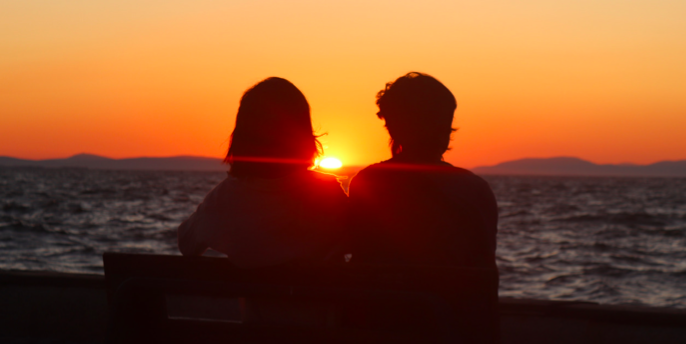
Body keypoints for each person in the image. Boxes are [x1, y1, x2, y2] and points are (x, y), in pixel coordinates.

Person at [177, 77, 347, 268]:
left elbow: (187, 244)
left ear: (242, 136)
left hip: (257, 298)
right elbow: (360, 244)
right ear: (303, 133)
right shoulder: (327, 192)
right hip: (317, 297)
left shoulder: (225, 198)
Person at [347, 72, 498, 268]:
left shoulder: (368, 182)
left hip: (383, 296)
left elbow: (361, 256)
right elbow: (483, 266)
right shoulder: (475, 189)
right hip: (448, 297)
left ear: (391, 126)